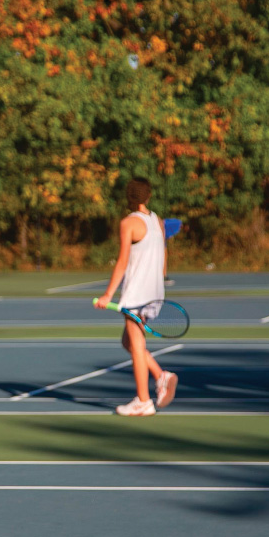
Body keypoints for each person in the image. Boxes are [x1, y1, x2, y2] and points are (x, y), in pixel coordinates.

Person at [95, 178, 178, 416]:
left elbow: (122, 261)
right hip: (154, 291)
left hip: (137, 292)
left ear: (128, 198)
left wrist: (108, 294)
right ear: (148, 196)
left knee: (137, 343)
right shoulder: (157, 221)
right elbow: (163, 255)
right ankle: (161, 375)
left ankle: (143, 401)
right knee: (129, 343)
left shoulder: (128, 223)